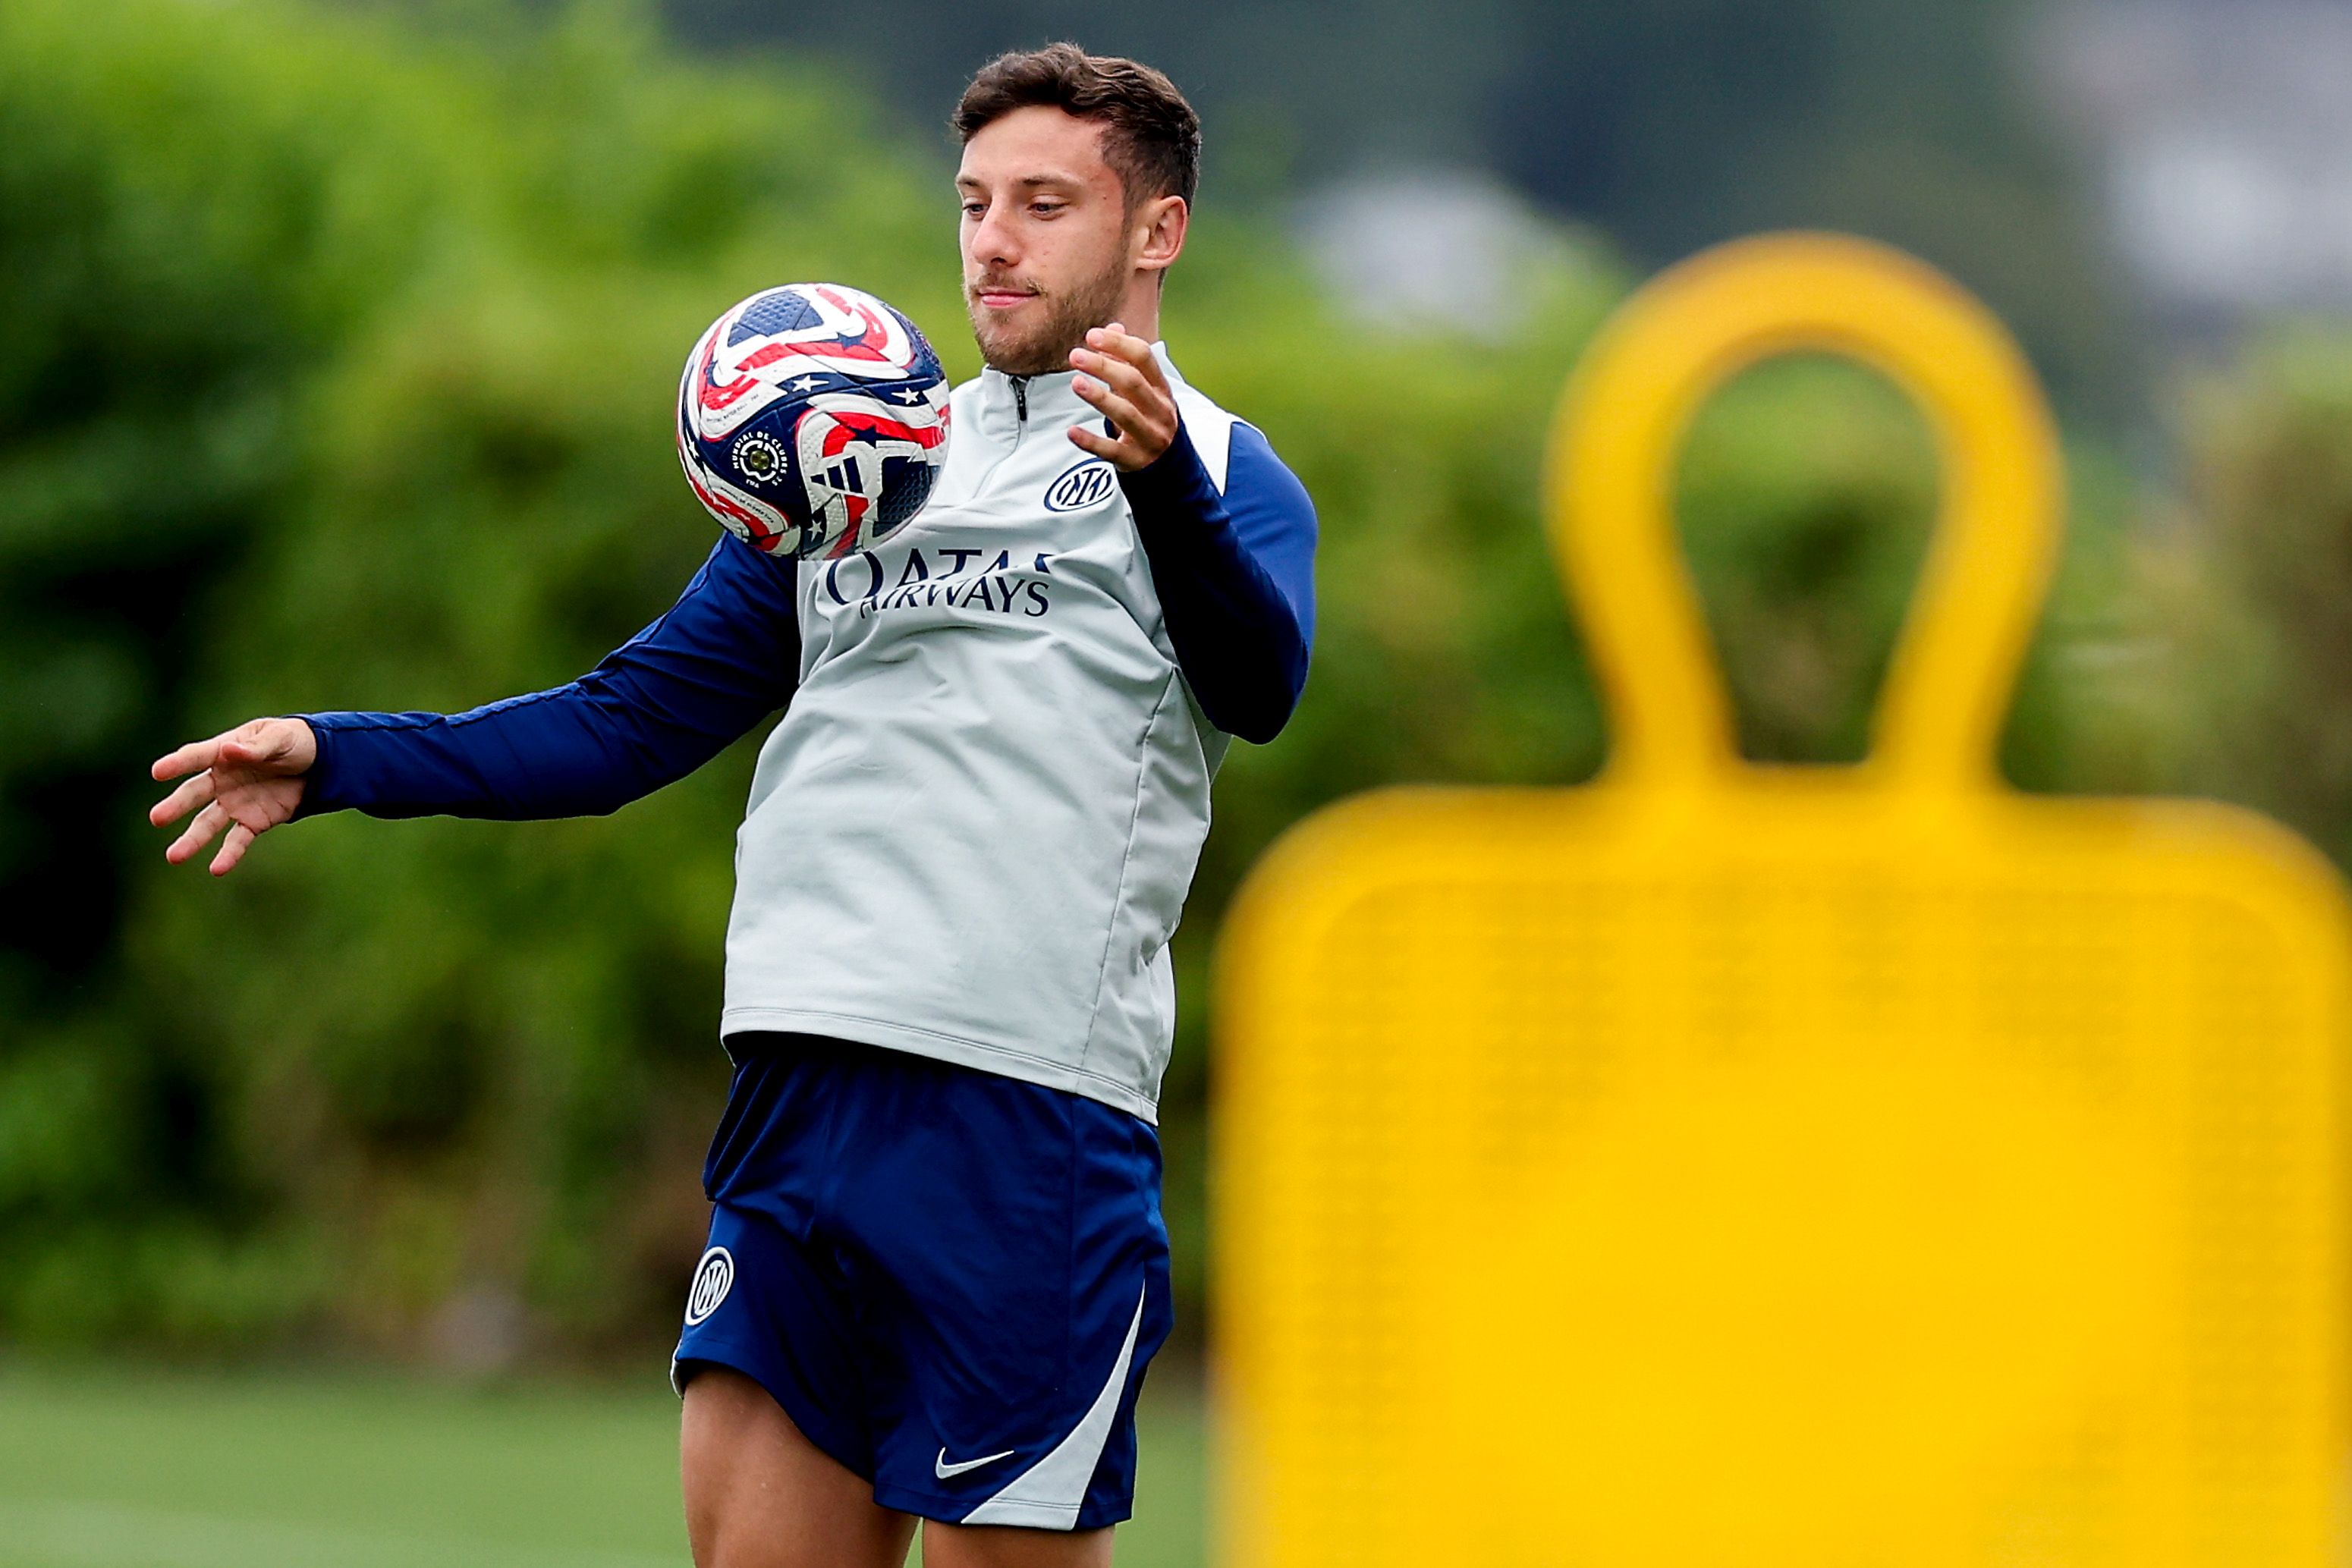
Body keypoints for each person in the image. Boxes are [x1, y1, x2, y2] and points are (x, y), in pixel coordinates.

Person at [146, 42, 1316, 1568]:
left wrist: (1159, 480)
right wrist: (340, 755)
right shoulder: (858, 449)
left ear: (1155, 230)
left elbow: (1260, 683)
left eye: (1044, 204)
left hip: (1023, 1119)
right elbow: (625, 722)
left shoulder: (1220, 469)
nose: (993, 241)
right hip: (798, 1091)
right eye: (973, 202)